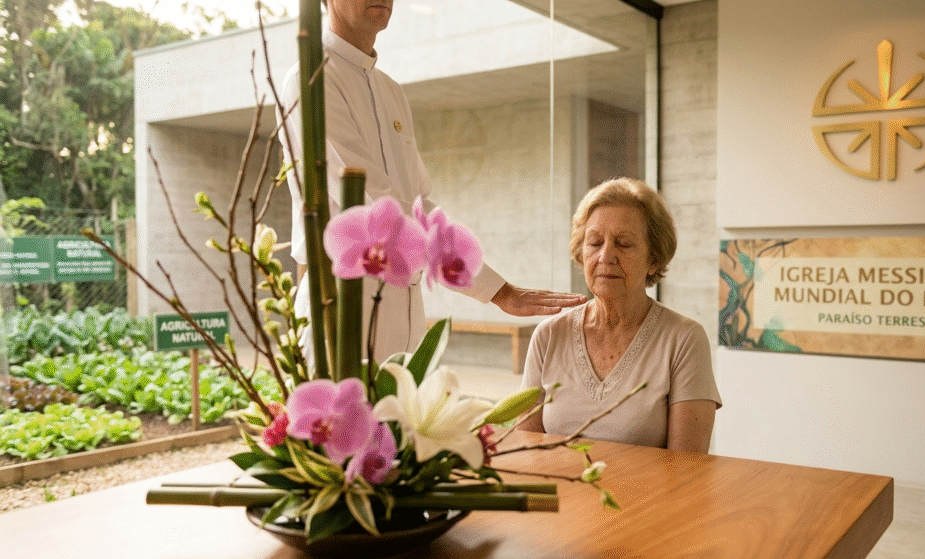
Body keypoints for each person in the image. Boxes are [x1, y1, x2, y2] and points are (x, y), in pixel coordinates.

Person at [278, 0, 586, 360]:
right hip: (343, 305)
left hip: (407, 306)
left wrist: (497, 287)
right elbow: (379, 205)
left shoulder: (391, 90)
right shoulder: (311, 79)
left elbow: (418, 205)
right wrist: (496, 290)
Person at [517, 177, 721, 452]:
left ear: (653, 259)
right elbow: (525, 449)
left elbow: (687, 465)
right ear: (581, 253)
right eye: (594, 242)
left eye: (623, 243)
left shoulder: (684, 339)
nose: (605, 256)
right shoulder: (549, 335)